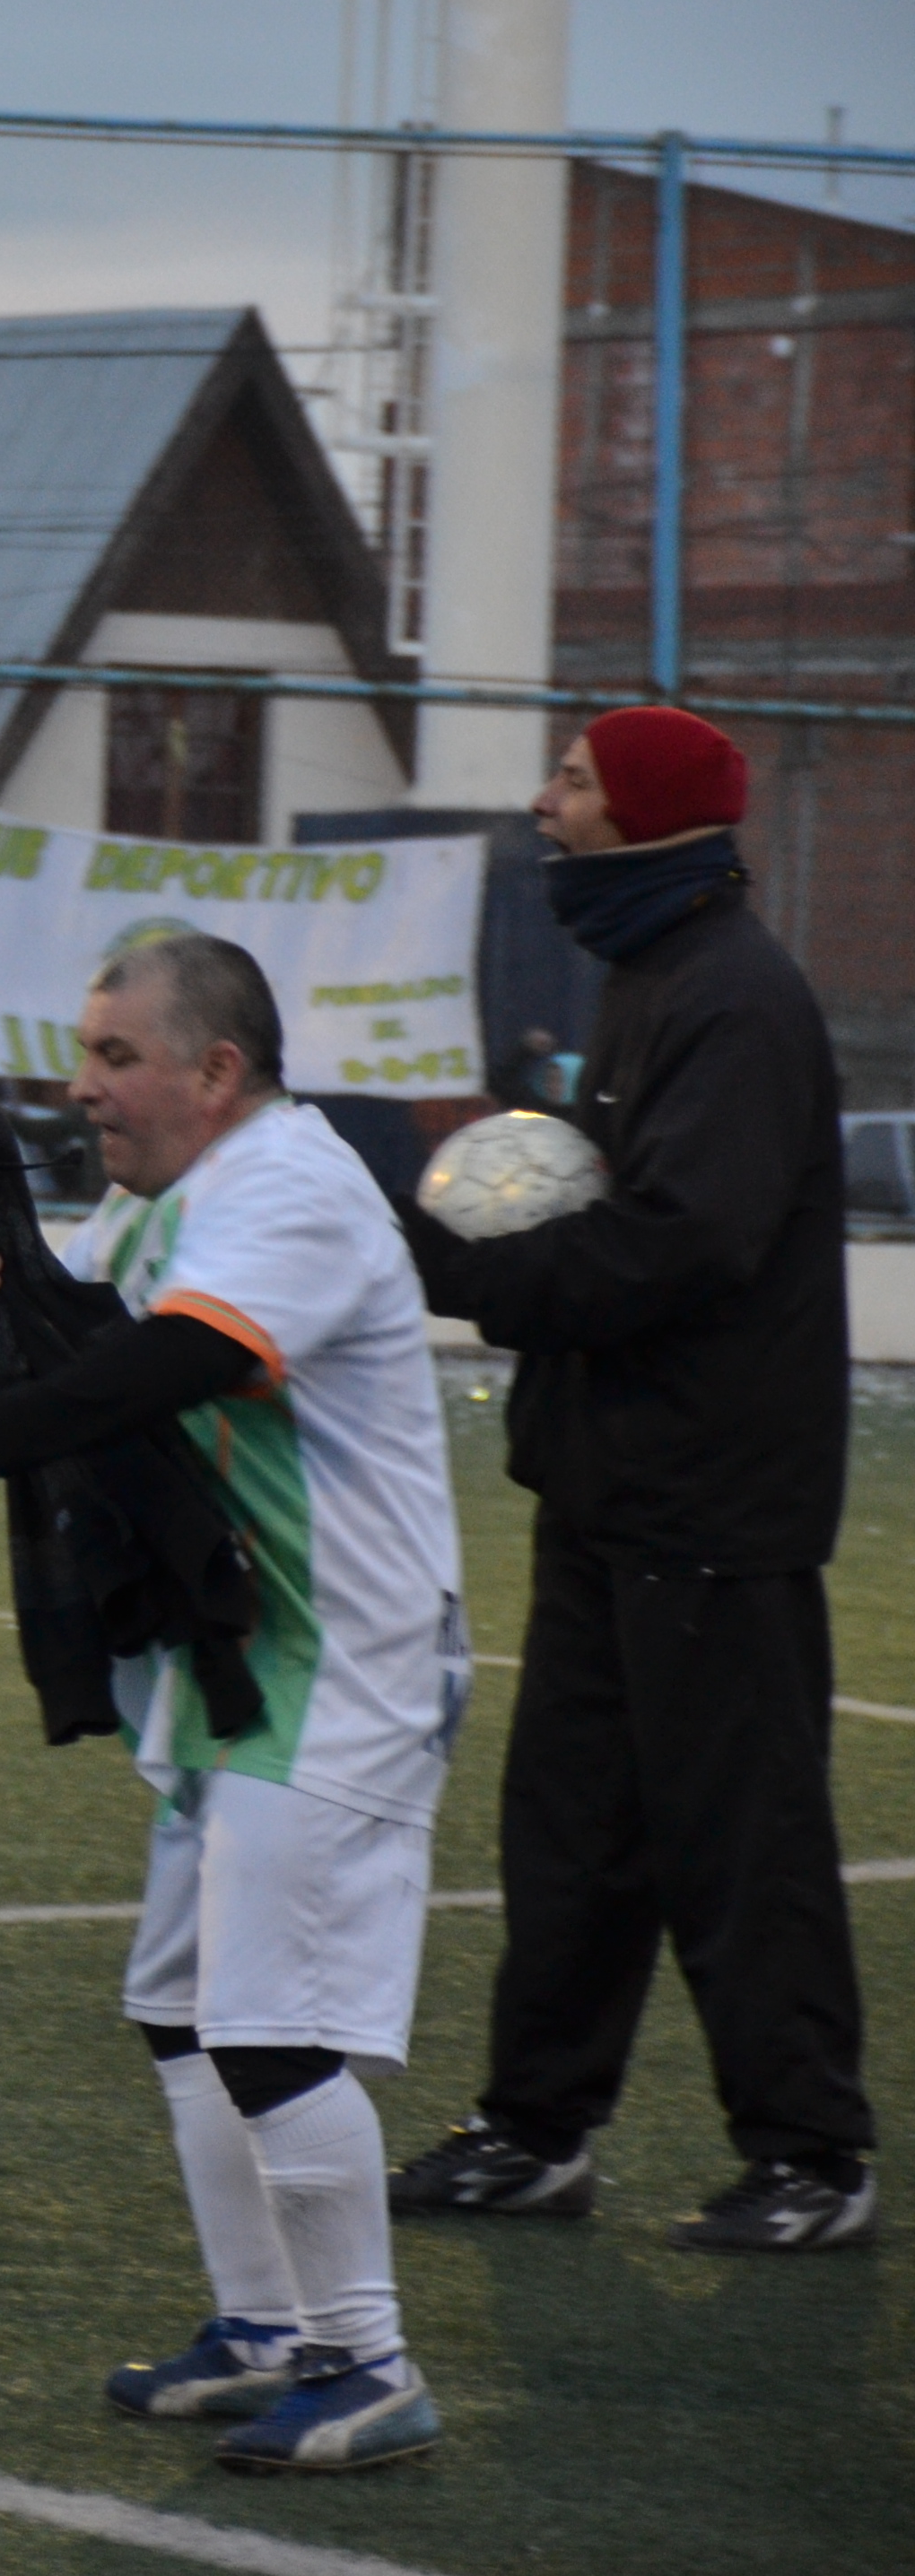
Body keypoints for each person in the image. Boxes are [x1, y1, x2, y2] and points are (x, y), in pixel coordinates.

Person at [0, 929, 465, 2475]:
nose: (80, 1081)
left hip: (343, 1668)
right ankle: (261, 2324)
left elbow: (153, 1372)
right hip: (245, 1652)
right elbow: (60, 1350)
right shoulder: (166, 1199)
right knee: (179, 2005)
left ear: (215, 1070)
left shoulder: (290, 1188)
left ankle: (364, 2358)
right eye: (83, 1050)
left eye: (113, 1053)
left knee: (267, 2022)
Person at [388, 707, 876, 2255]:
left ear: (651, 810)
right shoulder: (653, 969)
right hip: (613, 1486)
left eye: (575, 779)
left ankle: (812, 2152)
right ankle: (535, 2128)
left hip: (708, 1499)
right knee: (571, 1827)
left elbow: (678, 1241)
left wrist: (463, 1264)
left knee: (739, 1835)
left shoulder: (732, 995)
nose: (541, 802)